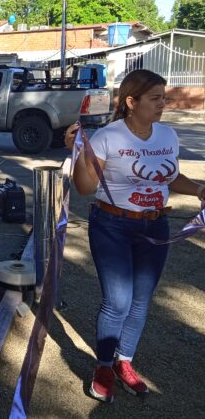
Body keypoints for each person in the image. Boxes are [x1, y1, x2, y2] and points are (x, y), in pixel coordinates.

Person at [65, 69, 205, 403]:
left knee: (141, 300)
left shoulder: (167, 136)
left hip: (155, 226)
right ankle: (102, 365)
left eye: (164, 97)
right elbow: (85, 188)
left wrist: (200, 189)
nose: (163, 105)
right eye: (155, 98)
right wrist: (80, 154)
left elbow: (170, 178)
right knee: (117, 302)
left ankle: (123, 362)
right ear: (131, 101)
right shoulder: (107, 138)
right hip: (112, 226)